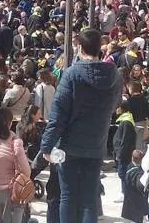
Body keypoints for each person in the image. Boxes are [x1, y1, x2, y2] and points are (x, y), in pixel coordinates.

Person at [40, 29, 122, 223]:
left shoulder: (71, 74)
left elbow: (58, 115)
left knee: (68, 196)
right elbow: (115, 104)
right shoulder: (115, 75)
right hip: (96, 144)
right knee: (89, 198)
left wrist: (47, 145)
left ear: (80, 48)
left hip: (70, 145)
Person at [112, 101, 137, 202]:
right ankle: (124, 192)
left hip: (124, 154)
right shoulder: (124, 120)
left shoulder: (126, 122)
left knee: (123, 173)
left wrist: (120, 154)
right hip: (122, 153)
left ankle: (125, 193)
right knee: (122, 173)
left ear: (121, 109)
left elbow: (125, 140)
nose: (116, 109)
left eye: (117, 107)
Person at [121, 150, 147, 223]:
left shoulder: (130, 166)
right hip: (136, 203)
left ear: (132, 158)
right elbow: (140, 185)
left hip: (129, 201)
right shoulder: (137, 173)